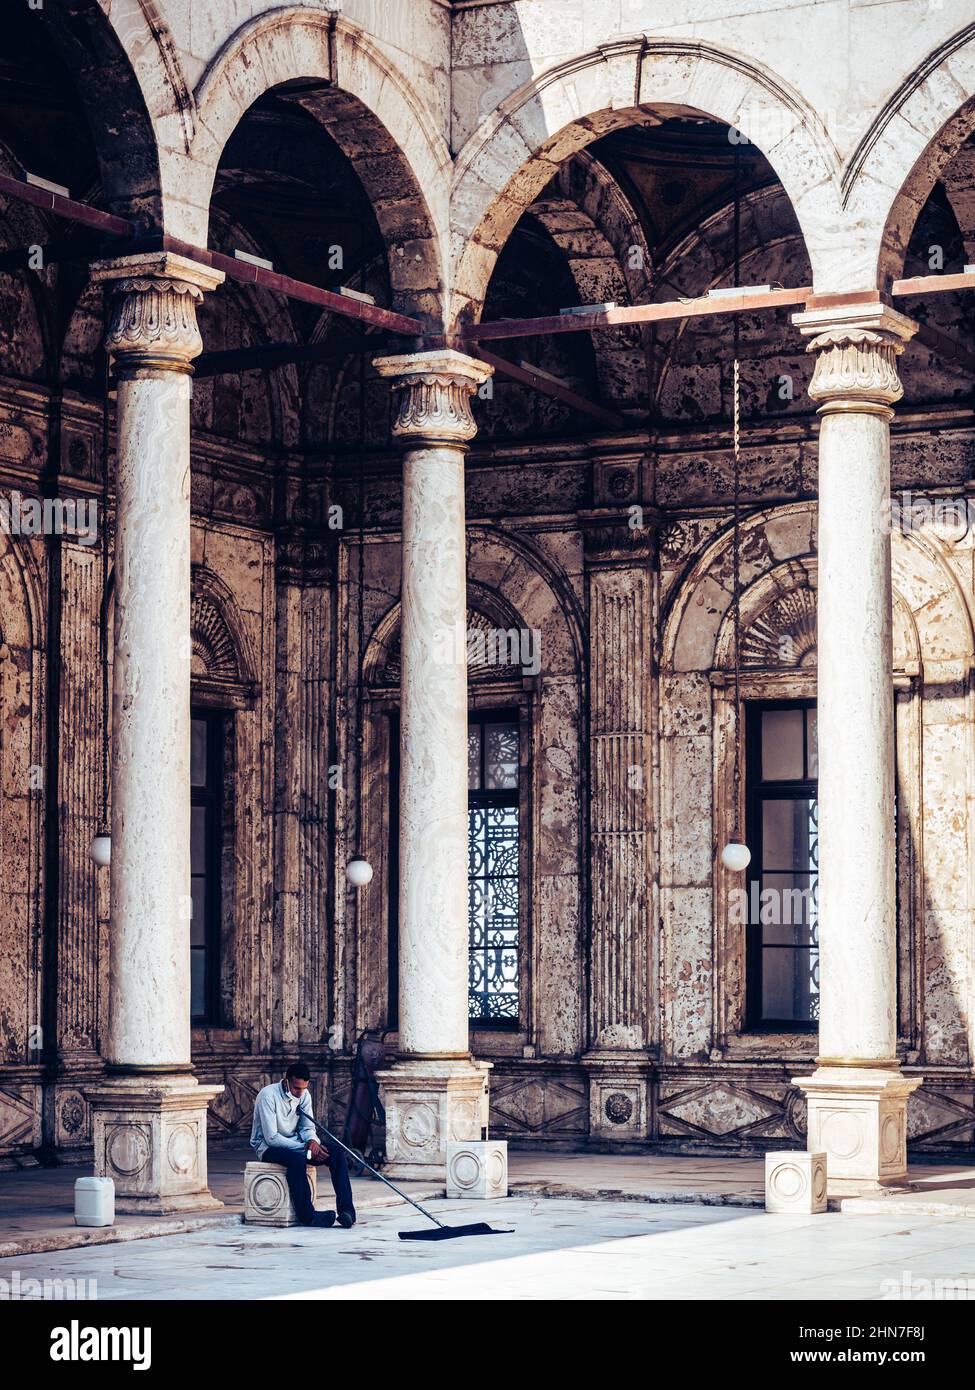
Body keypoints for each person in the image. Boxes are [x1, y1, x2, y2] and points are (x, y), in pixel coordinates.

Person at [250, 1062, 356, 1229]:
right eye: (296, 1088)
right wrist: (304, 1147)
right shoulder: (268, 1095)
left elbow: (307, 1127)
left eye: (303, 1088)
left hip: (299, 1144)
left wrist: (313, 1141)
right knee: (297, 1161)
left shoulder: (304, 1095)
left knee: (335, 1153)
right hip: (268, 1148)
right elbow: (271, 1137)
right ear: (286, 1082)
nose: (300, 1093)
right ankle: (308, 1216)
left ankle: (347, 1211)